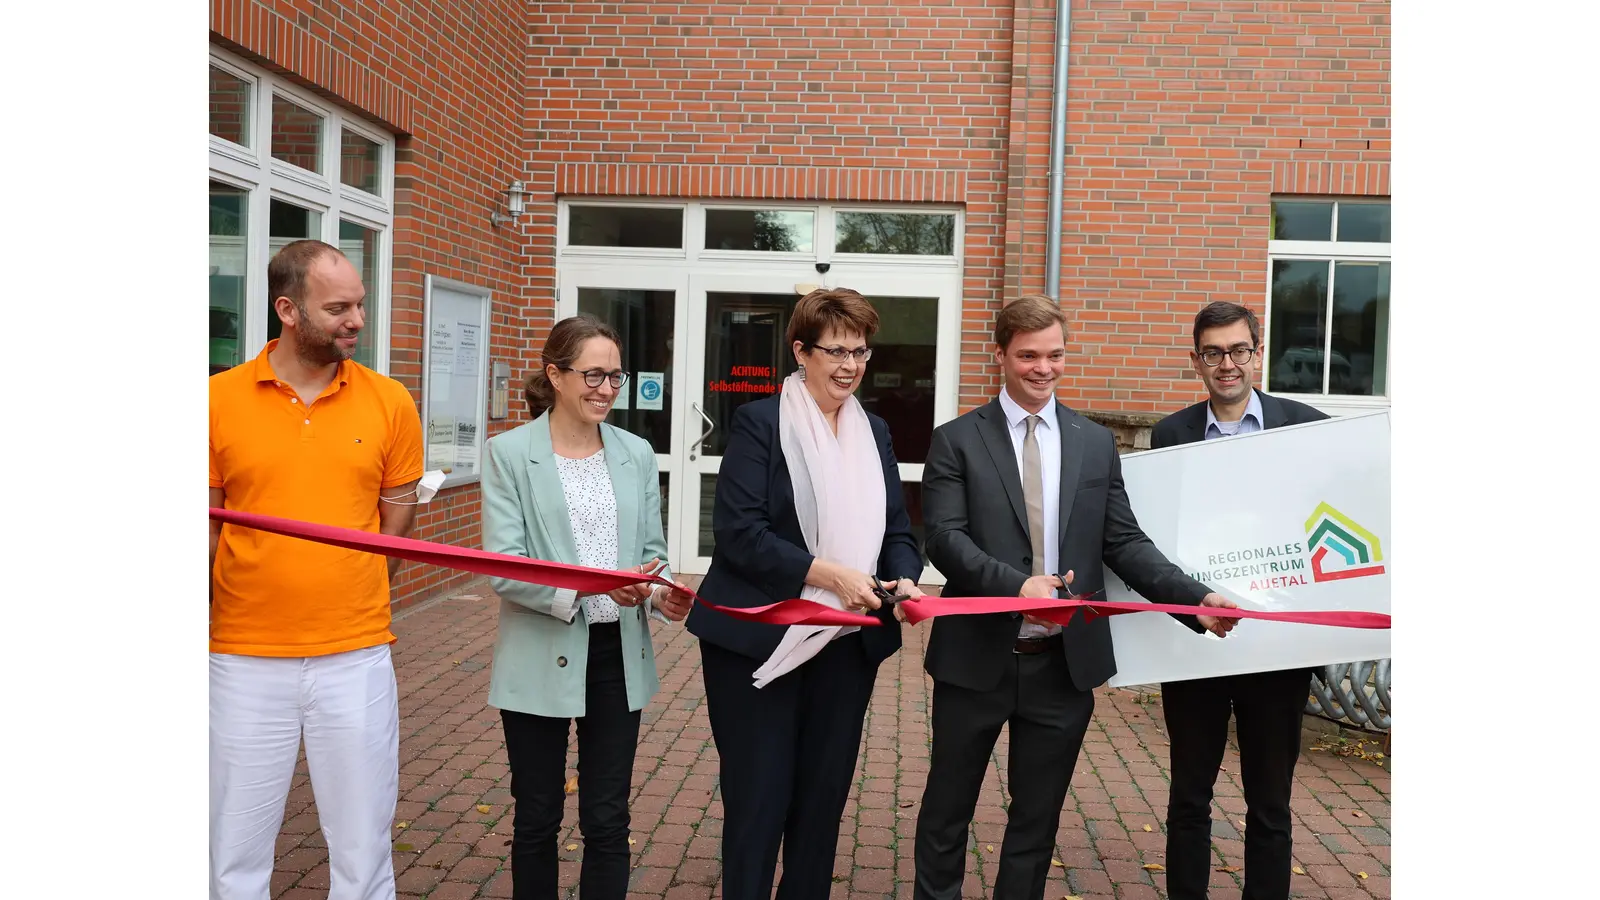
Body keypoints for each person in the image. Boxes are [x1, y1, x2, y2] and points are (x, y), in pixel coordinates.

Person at [912, 294, 1240, 900]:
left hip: (1063, 667)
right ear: (1002, 356)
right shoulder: (956, 440)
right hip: (976, 660)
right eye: (1029, 355)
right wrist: (1016, 587)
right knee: (945, 816)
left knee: (1035, 826)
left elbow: (1124, 542)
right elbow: (944, 540)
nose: (1044, 368)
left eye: (1055, 355)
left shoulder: (1092, 443)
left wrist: (1196, 599)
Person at [686, 288, 925, 900]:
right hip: (760, 643)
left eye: (861, 352)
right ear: (800, 351)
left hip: (846, 644)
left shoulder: (874, 430)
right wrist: (830, 575)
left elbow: (898, 529)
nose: (850, 366)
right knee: (759, 805)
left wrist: (903, 575)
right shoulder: (761, 422)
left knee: (820, 810)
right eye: (836, 351)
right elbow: (739, 534)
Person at [209, 239, 423, 900]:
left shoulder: (390, 402)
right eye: (337, 307)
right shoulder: (215, 401)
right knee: (232, 851)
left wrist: (357, 589)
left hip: (354, 655)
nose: (356, 319)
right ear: (287, 309)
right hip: (243, 656)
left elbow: (398, 517)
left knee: (363, 850)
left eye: (359, 303)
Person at [480, 314, 695, 900]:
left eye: (615, 377)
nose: (606, 389)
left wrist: (660, 594)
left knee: (607, 818)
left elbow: (651, 555)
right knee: (537, 817)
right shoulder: (508, 454)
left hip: (615, 657)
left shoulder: (636, 452)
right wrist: (589, 591)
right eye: (593, 375)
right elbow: (505, 564)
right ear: (555, 374)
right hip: (538, 651)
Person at [1151, 300, 1328, 900]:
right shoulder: (1170, 435)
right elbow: (1161, 537)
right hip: (1198, 644)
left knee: (1270, 804)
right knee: (1188, 798)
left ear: (1257, 350)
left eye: (1237, 350)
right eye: (1212, 352)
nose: (1226, 363)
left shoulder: (1308, 425)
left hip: (1275, 648)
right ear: (1195, 360)